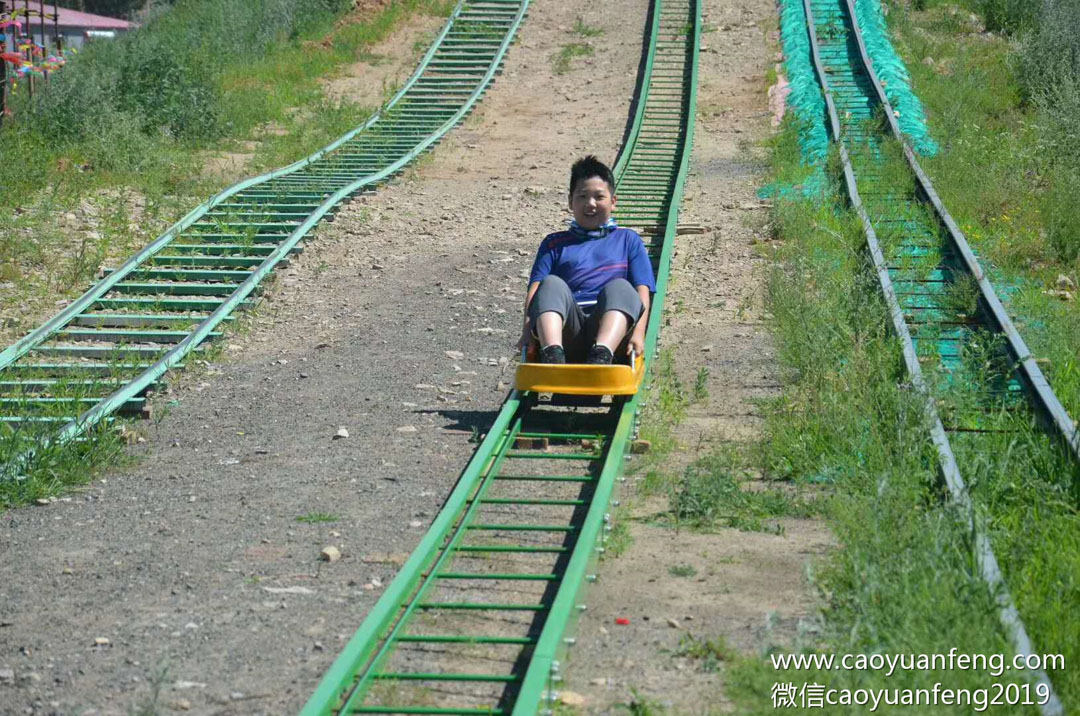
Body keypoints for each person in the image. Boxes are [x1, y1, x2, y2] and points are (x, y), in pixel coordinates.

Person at [518, 155, 655, 364]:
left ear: (613, 202)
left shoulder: (628, 240)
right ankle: (552, 353)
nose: (590, 204)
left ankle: (601, 354)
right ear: (570, 201)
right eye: (582, 196)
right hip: (567, 332)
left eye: (599, 197)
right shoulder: (554, 243)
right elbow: (535, 291)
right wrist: (527, 331)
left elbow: (642, 292)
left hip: (612, 334)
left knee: (620, 286)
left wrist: (638, 333)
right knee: (550, 283)